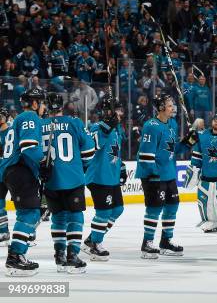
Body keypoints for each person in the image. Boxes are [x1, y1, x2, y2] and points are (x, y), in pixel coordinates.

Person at [136, 94, 196, 259]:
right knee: (154, 209)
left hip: (168, 173)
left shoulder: (172, 124)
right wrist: (154, 175)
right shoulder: (151, 126)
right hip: (153, 175)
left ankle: (165, 241)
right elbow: (145, 155)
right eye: (170, 105)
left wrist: (188, 142)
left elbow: (173, 150)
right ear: (161, 108)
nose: (173, 108)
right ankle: (147, 244)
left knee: (172, 206)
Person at [42, 93, 95, 273]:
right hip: (73, 178)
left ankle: (59, 255)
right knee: (75, 217)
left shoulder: (40, 125)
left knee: (58, 218)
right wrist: (82, 167)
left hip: (50, 182)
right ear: (62, 105)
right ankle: (73, 255)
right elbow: (89, 153)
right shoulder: (75, 122)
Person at [0, 88, 46, 276]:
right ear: (34, 103)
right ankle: (15, 257)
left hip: (14, 170)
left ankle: (17, 255)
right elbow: (28, 148)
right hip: (20, 170)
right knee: (29, 213)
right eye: (41, 102)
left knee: (30, 213)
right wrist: (43, 162)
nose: (43, 106)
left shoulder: (19, 119)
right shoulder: (30, 117)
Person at [83, 96, 127, 260]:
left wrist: (121, 169)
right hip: (98, 176)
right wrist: (107, 127)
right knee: (104, 212)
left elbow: (117, 152)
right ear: (108, 111)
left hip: (112, 176)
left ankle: (92, 238)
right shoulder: (96, 127)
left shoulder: (117, 129)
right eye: (117, 109)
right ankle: (95, 244)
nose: (120, 113)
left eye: (121, 109)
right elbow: (94, 146)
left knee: (118, 209)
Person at [186, 114, 217, 233]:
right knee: (205, 202)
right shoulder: (201, 136)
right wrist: (194, 171)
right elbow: (196, 156)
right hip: (205, 177)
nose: (216, 123)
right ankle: (210, 223)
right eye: (215, 120)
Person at [0, 107, 10, 245]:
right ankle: (3, 231)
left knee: (24, 206)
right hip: (0, 174)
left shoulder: (12, 132)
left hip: (14, 173)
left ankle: (28, 233)